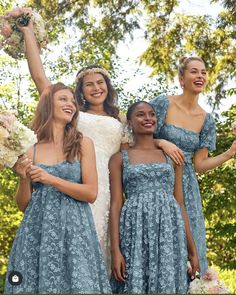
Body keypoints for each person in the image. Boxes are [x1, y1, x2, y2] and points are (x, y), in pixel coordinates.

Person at [18, 18, 132, 272]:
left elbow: (133, 151)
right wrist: (28, 33)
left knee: (104, 251)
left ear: (108, 87)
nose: (96, 88)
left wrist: (162, 143)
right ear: (81, 90)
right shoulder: (72, 112)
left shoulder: (120, 119)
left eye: (100, 82)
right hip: (76, 181)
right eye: (89, 84)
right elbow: (39, 77)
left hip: (107, 190)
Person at [4, 83, 111, 294]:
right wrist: (24, 179)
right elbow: (24, 205)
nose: (70, 104)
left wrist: (51, 179)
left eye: (72, 101)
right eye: (63, 99)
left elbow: (90, 193)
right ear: (47, 105)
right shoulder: (30, 148)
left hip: (76, 230)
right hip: (38, 231)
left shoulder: (82, 143)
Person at [150, 56, 236, 275]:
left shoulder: (206, 119)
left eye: (204, 72)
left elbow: (198, 164)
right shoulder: (163, 103)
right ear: (181, 78)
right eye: (194, 72)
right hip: (157, 178)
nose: (200, 76)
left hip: (187, 185)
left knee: (189, 242)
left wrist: (229, 153)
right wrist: (161, 141)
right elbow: (137, 136)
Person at [109, 101, 199, 294]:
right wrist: (115, 250)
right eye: (141, 115)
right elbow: (116, 204)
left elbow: (180, 203)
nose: (148, 118)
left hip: (169, 229)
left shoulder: (173, 157)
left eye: (152, 114)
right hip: (135, 228)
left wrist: (192, 250)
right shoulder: (119, 159)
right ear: (130, 123)